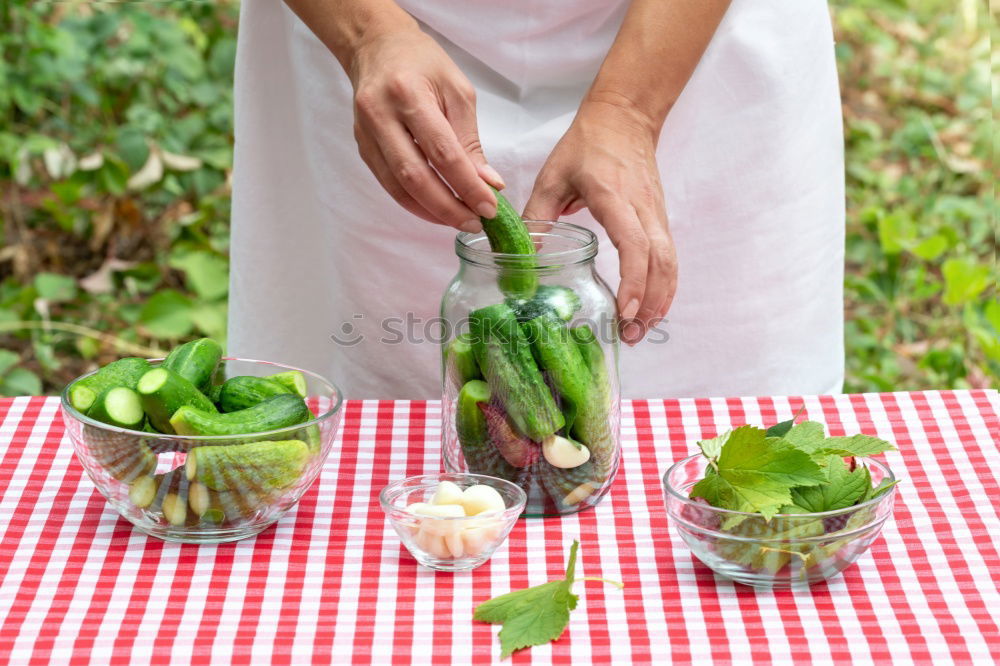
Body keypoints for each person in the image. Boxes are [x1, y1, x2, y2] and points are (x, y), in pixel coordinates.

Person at [228, 0, 845, 399]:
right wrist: (367, 35)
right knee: (365, 388)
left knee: (726, 419)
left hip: (684, 35)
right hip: (361, 21)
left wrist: (629, 108)